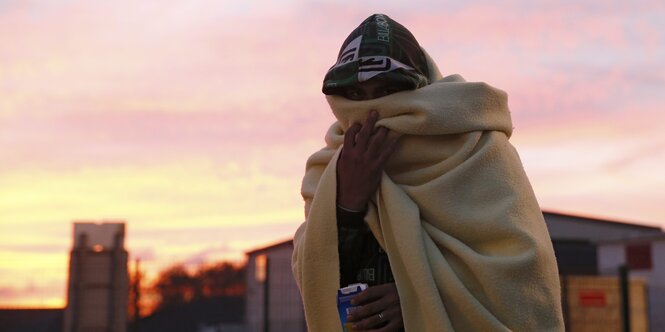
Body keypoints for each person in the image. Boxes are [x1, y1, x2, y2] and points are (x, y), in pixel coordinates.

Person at [292, 13, 565, 331]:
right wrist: (347, 202)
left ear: (421, 87)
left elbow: (523, 277)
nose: (371, 110)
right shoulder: (330, 168)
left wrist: (415, 298)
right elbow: (317, 276)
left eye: (386, 91)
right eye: (355, 95)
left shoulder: (476, 151)